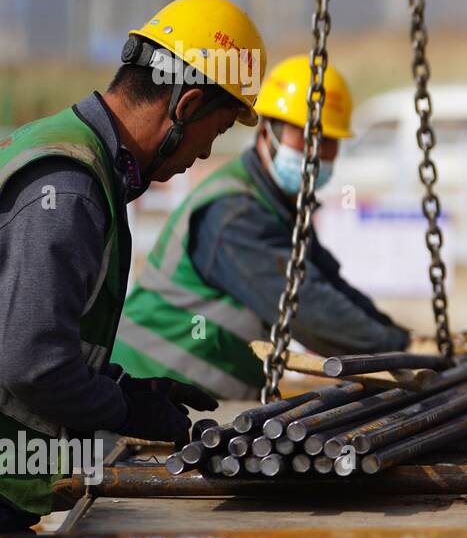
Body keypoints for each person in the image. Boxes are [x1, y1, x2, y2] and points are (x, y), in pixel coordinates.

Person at [0, 0, 265, 532]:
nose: (206, 155)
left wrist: (124, 386)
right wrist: (124, 411)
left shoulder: (76, 158)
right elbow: (33, 365)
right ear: (186, 105)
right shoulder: (70, 187)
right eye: (213, 133)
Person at [111, 55, 411, 400]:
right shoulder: (235, 213)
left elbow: (328, 284)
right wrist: (397, 345)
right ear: (269, 130)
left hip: (193, 401)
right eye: (306, 136)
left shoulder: (274, 204)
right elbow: (306, 306)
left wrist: (401, 335)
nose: (316, 152)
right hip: (146, 394)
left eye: (328, 140)